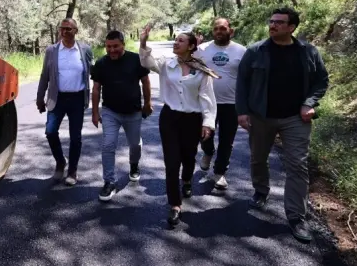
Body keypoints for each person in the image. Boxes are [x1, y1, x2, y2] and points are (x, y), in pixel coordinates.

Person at [236, 6, 329, 242]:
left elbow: (321, 80)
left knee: (298, 165)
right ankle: (261, 190)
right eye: (271, 21)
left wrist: (309, 103)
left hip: (295, 118)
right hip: (261, 116)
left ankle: (297, 217)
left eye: (279, 22)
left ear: (291, 27)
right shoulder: (255, 51)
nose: (273, 25)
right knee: (258, 158)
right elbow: (242, 84)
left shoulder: (308, 52)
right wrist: (242, 112)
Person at [140, 25, 217, 227]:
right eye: (175, 40)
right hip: (170, 118)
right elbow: (147, 62)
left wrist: (208, 123)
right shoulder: (167, 64)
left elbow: (207, 98)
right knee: (172, 162)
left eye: (181, 41)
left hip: (192, 119)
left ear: (191, 46)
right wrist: (143, 42)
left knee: (189, 156)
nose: (176, 43)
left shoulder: (202, 70)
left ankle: (188, 180)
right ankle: (175, 204)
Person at [90, 30, 152, 201]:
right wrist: (95, 112)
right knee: (108, 145)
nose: (112, 50)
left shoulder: (135, 60)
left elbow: (145, 81)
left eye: (115, 46)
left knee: (135, 144)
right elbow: (96, 89)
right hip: (110, 111)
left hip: (133, 111)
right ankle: (109, 182)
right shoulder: (101, 63)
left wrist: (147, 103)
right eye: (108, 47)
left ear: (123, 44)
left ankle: (134, 165)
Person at [37, 18, 94, 185]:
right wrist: (40, 97)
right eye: (62, 28)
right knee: (50, 132)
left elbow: (94, 72)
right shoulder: (51, 51)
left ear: (76, 31)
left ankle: (72, 171)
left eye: (69, 29)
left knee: (75, 137)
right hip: (57, 98)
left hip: (77, 98)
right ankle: (61, 161)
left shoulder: (85, 50)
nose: (64, 31)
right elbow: (44, 76)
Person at [194, 18, 247, 190]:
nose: (219, 31)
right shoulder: (202, 49)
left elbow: (247, 78)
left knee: (227, 140)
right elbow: (188, 67)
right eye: (216, 28)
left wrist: (246, 105)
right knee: (204, 135)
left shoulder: (241, 50)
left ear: (231, 31)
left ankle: (219, 172)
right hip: (206, 102)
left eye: (223, 28)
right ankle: (208, 152)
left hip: (231, 103)